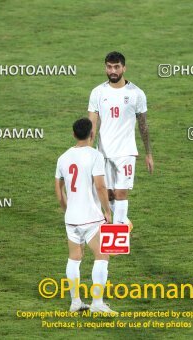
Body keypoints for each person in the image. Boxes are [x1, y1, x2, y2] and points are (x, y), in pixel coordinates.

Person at [55, 118, 118, 315]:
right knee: (102, 255)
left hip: (71, 218)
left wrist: (67, 208)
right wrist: (107, 211)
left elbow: (59, 188)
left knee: (74, 257)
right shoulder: (95, 156)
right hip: (91, 218)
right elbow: (100, 186)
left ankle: (75, 302)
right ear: (92, 134)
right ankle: (97, 303)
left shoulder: (63, 157)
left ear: (74, 134)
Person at [88, 51, 153, 227]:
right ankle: (123, 221)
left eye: (117, 67)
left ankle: (118, 231)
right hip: (103, 152)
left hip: (126, 152)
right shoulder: (97, 92)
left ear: (124, 68)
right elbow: (92, 124)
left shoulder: (136, 94)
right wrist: (88, 150)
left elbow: (143, 125)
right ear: (105, 68)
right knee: (107, 194)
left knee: (120, 193)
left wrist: (148, 153)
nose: (113, 71)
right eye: (109, 67)